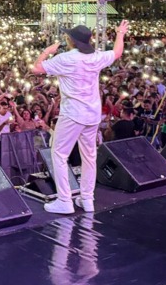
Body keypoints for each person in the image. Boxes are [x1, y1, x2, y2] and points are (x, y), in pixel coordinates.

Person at [33, 21, 128, 214]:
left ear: (71, 40)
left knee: (58, 154)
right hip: (92, 115)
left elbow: (37, 69)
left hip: (73, 114)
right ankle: (87, 199)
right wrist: (120, 34)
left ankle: (65, 200)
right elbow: (117, 53)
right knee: (89, 157)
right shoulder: (96, 56)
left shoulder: (66, 58)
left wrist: (47, 51)